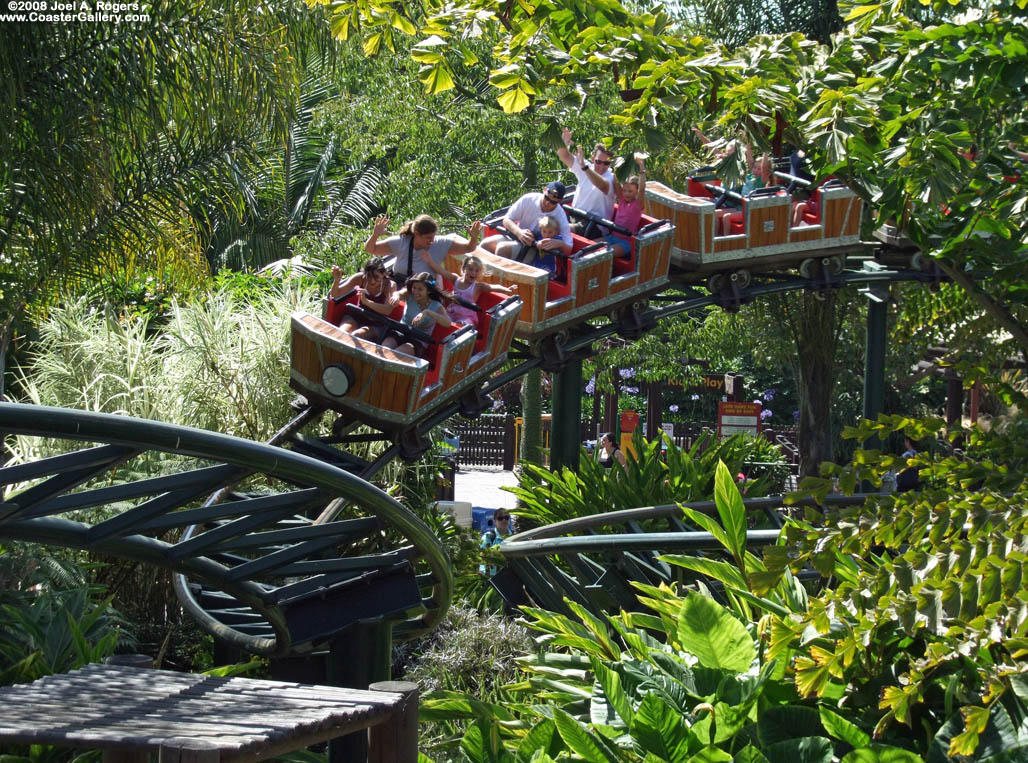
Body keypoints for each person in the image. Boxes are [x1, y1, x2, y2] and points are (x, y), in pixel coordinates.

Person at [364, 215, 482, 285]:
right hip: (401, 283)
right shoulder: (401, 242)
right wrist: (375, 235)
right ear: (416, 234)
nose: (431, 240)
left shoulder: (440, 243)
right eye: (428, 238)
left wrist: (473, 237)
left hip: (427, 289)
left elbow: (468, 248)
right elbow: (370, 249)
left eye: (433, 236)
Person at [480, 181, 573, 264]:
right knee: (485, 244)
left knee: (502, 249)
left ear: (560, 201)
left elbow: (569, 248)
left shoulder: (560, 216)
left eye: (553, 202)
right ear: (544, 190)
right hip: (516, 237)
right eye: (546, 198)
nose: (547, 203)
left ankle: (498, 282)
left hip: (534, 249)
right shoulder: (529, 199)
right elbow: (506, 220)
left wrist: (559, 243)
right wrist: (519, 232)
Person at [421, 254, 518, 328]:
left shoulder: (478, 287)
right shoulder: (456, 279)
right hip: (452, 312)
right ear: (463, 269)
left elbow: (492, 287)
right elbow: (442, 271)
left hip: (467, 317)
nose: (473, 273)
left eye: (477, 271)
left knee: (460, 325)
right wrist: (429, 261)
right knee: (441, 320)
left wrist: (506, 289)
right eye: (470, 269)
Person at [557, 127, 616, 231]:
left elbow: (602, 185)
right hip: (574, 215)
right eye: (598, 162)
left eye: (606, 163)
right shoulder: (586, 167)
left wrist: (584, 167)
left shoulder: (611, 178)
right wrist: (564, 142)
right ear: (593, 159)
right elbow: (564, 156)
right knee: (548, 222)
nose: (602, 166)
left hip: (595, 224)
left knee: (559, 228)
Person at [382, 272, 453, 357]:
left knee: (395, 355)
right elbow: (398, 293)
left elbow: (448, 323)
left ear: (428, 291)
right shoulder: (409, 295)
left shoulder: (437, 306)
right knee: (384, 349)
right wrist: (396, 296)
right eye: (414, 288)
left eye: (420, 289)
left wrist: (427, 312)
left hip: (418, 340)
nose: (415, 291)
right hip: (401, 332)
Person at [329, 257, 397, 337]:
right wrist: (337, 280)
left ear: (383, 274)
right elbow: (335, 294)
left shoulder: (389, 285)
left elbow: (387, 310)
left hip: (376, 323)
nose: (372, 281)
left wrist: (367, 302)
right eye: (369, 276)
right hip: (357, 316)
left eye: (376, 277)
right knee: (342, 333)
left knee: (357, 335)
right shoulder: (360, 278)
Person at [720, 145, 774, 236]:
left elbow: (765, 168)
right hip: (740, 207)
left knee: (726, 217)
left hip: (750, 211)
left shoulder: (762, 180)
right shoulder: (750, 176)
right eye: (755, 168)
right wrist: (748, 143)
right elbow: (750, 160)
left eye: (759, 169)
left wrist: (765, 150)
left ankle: (726, 242)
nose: (755, 170)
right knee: (715, 213)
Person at [605, 154, 648, 259]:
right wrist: (617, 164)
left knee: (605, 254)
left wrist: (641, 167)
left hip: (625, 242)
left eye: (630, 191)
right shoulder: (622, 200)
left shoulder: (638, 204)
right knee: (591, 245)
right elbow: (616, 182)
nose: (627, 194)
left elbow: (642, 189)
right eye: (625, 190)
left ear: (636, 191)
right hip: (612, 237)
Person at [479, 510, 514, 576]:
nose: (504, 520)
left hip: (511, 575)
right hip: (492, 576)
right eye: (500, 518)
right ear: (495, 521)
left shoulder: (515, 537)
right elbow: (483, 557)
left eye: (506, 517)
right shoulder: (488, 537)